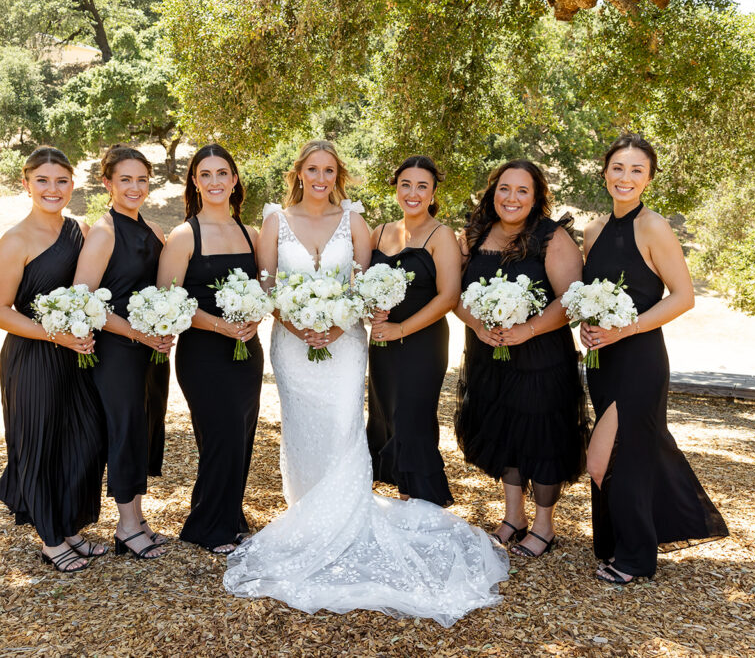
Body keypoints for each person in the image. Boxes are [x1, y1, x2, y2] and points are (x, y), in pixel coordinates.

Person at [223, 140, 508, 628]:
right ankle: (307, 515)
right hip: (292, 345)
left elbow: (363, 284)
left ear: (339, 175)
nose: (320, 177)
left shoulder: (356, 222)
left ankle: (346, 521)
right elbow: (266, 285)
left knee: (341, 425)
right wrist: (297, 326)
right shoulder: (274, 220)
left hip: (346, 342)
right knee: (301, 427)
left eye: (329, 170)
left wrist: (335, 326)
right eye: (312, 169)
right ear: (299, 172)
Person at [581, 134, 728, 584]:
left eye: (636, 170)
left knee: (610, 459)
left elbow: (684, 297)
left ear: (649, 178)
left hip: (640, 359)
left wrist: (626, 328)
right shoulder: (592, 230)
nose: (625, 178)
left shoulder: (654, 227)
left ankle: (637, 557)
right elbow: (593, 295)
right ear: (605, 172)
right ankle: (620, 546)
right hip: (600, 361)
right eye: (618, 168)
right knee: (623, 457)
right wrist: (586, 326)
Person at [453, 160, 587, 559]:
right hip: (488, 352)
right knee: (503, 429)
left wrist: (526, 329)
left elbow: (570, 298)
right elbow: (452, 293)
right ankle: (514, 517)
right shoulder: (474, 234)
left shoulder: (551, 237)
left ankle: (544, 525)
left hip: (540, 357)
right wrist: (477, 326)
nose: (512, 198)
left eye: (522, 191)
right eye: (504, 189)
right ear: (492, 192)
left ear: (536, 197)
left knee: (543, 435)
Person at [0, 146, 106, 573]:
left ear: (73, 184)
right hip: (34, 356)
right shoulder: (14, 241)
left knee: (84, 439)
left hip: (79, 357)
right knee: (39, 441)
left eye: (61, 181)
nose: (52, 189)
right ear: (26, 184)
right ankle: (51, 540)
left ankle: (71, 526)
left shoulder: (81, 230)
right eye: (42, 180)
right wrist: (56, 335)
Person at [158, 144, 263, 554]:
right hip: (202, 353)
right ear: (195, 182)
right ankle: (208, 527)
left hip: (246, 352)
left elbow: (265, 287)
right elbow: (169, 301)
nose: (215, 181)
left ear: (234, 180)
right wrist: (222, 326)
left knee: (242, 434)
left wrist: (255, 317)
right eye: (206, 174)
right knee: (219, 434)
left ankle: (231, 517)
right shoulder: (185, 236)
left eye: (223, 173)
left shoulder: (250, 233)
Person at [74, 145, 172, 560]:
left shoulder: (148, 226)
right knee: (126, 429)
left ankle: (138, 518)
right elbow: (84, 300)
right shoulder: (105, 231)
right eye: (126, 179)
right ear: (107, 183)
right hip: (117, 352)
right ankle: (127, 527)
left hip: (149, 351)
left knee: (143, 428)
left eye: (142, 180)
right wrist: (139, 334)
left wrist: (166, 325)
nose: (135, 187)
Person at [366, 155, 460, 506]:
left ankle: (422, 501)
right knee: (385, 414)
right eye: (406, 184)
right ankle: (399, 491)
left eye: (422, 186)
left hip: (422, 343)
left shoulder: (441, 235)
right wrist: (371, 314)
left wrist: (400, 328)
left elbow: (449, 296)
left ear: (434, 192)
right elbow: (359, 284)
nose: (413, 192)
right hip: (382, 344)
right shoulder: (380, 232)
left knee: (412, 418)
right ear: (395, 187)